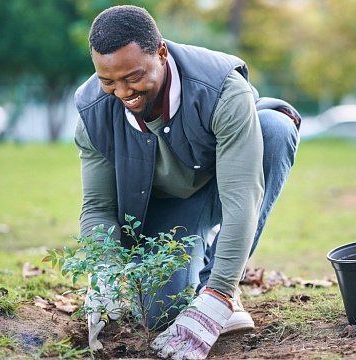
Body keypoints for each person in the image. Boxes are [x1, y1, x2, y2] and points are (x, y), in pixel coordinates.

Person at [74, 5, 300, 359]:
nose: (122, 92)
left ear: (161, 53)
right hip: (166, 205)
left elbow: (242, 196)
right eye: (108, 81)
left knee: (275, 129)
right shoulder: (93, 113)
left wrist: (218, 296)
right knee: (162, 311)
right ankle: (187, 276)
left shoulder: (222, 88)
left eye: (133, 77)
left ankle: (217, 282)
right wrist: (104, 270)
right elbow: (98, 207)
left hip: (225, 181)